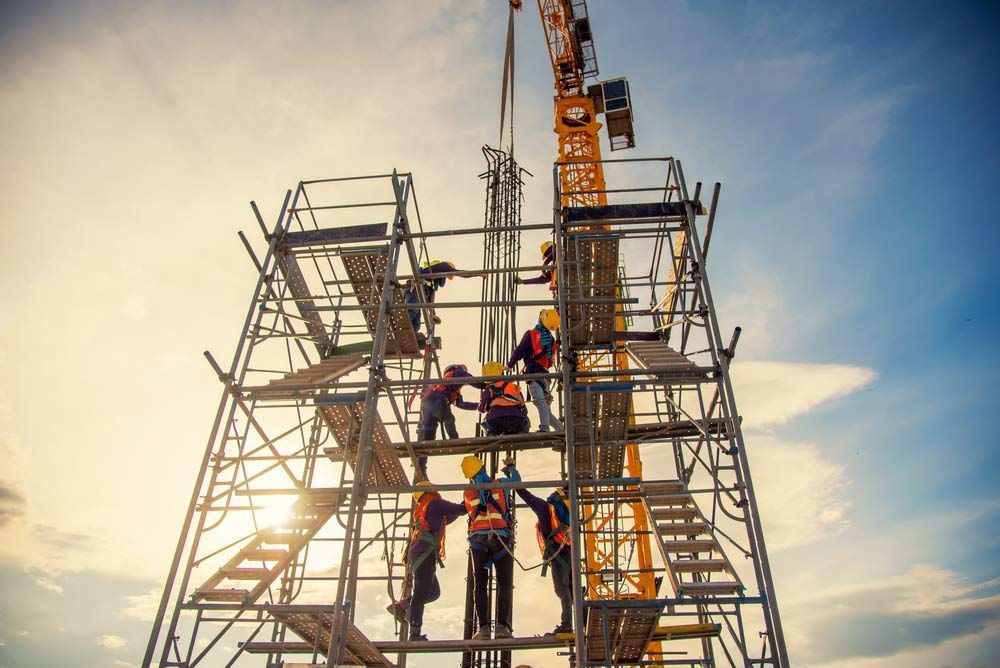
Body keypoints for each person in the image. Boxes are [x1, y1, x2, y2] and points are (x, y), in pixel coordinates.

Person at [386, 480, 467, 641]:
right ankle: (414, 633)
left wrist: (464, 507)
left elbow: (451, 516)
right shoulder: (435, 504)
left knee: (433, 592)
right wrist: (473, 496)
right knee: (422, 592)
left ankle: (403, 605)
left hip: (421, 553)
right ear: (430, 491)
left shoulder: (424, 508)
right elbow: (460, 510)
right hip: (424, 553)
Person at [508, 469, 574, 635]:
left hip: (557, 554)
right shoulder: (570, 511)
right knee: (572, 590)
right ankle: (576, 622)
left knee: (562, 589)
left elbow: (523, 492)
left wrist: (511, 471)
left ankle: (567, 625)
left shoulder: (545, 508)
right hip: (570, 550)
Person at [461, 455, 516, 639]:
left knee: (480, 585)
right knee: (504, 583)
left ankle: (483, 628)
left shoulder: (468, 492)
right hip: (500, 538)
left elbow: (467, 511)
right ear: (482, 467)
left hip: (478, 541)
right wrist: (510, 466)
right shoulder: (499, 484)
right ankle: (501, 627)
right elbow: (517, 481)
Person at [506, 309, 563, 432]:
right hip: (546, 377)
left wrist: (510, 365)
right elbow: (550, 362)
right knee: (545, 408)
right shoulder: (551, 340)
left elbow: (519, 351)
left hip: (534, 374)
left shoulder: (531, 334)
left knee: (540, 402)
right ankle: (561, 430)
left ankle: (544, 428)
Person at [417, 364, 479, 475]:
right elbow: (470, 379)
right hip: (437, 402)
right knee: (449, 418)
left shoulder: (450, 387)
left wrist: (479, 406)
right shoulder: (456, 373)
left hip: (428, 408)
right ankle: (453, 439)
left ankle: (421, 468)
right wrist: (487, 385)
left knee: (428, 441)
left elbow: (461, 404)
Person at [403, 259, 465, 338]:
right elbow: (459, 272)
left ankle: (411, 336)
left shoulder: (431, 282)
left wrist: (432, 314)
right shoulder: (443, 266)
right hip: (415, 289)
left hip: (417, 293)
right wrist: (478, 274)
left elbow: (428, 300)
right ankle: (402, 331)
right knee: (411, 312)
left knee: (416, 321)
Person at [478, 362, 530, 436]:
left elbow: (481, 409)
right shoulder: (513, 387)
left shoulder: (487, 390)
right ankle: (521, 431)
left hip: (495, 422)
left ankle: (491, 433)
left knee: (484, 422)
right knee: (525, 419)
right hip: (516, 420)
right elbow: (523, 407)